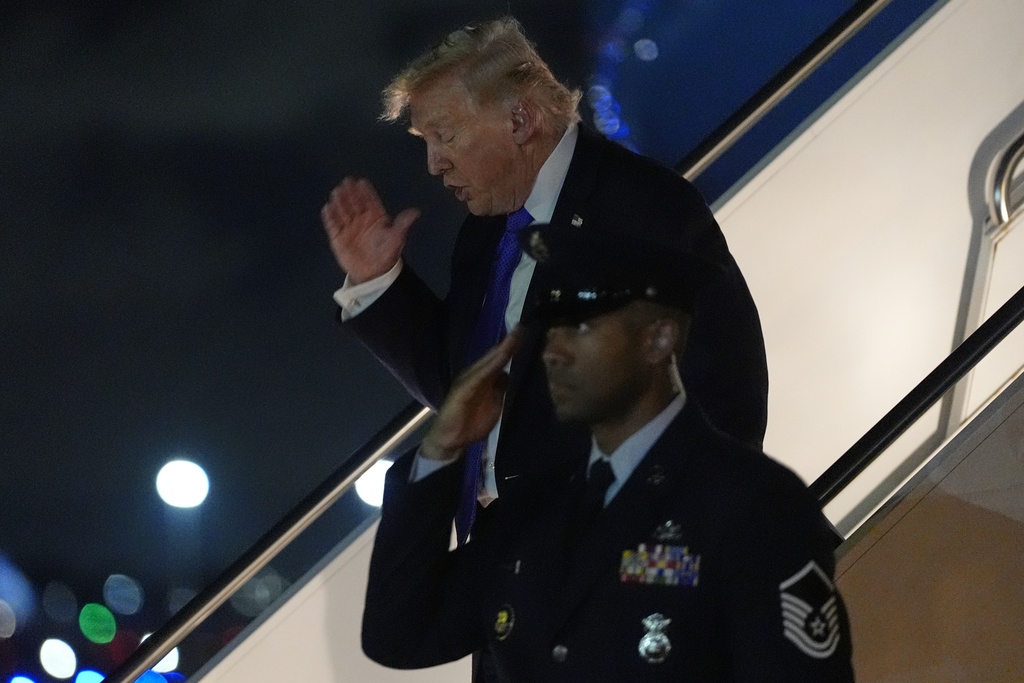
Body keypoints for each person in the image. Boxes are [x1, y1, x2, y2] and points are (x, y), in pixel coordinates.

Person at [321, 16, 768, 547]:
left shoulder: (641, 208)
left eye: (445, 136)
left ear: (520, 120)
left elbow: (724, 392)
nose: (435, 164)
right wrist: (377, 282)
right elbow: (465, 388)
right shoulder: (485, 235)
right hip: (520, 566)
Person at [361, 223, 854, 681]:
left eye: (581, 327)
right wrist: (441, 450)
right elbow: (401, 633)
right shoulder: (535, 509)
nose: (553, 351)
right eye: (551, 329)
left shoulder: (749, 503)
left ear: (658, 338)